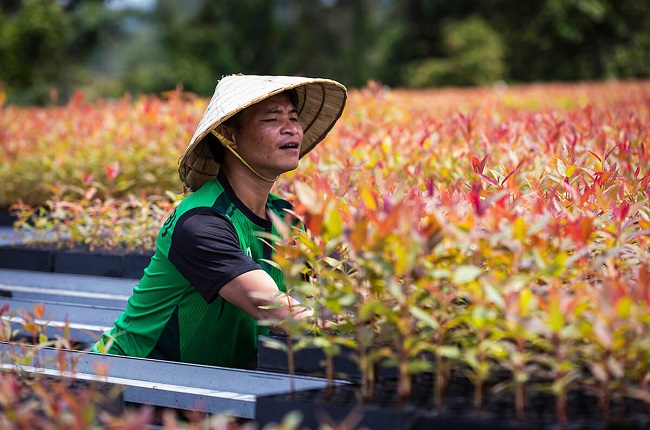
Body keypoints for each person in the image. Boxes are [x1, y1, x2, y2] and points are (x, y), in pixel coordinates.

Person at [93, 74, 347, 369]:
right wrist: (357, 332)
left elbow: (344, 284)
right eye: (271, 119)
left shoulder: (288, 219)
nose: (291, 129)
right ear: (229, 135)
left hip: (209, 387)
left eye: (293, 117)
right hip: (124, 381)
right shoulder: (201, 222)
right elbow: (269, 305)